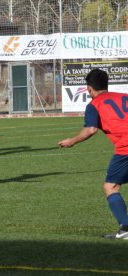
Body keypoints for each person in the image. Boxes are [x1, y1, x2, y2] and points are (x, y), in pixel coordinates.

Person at [58, 69, 128, 239]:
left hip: (125, 149)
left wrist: (71, 141)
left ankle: (126, 229)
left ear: (89, 89)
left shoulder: (94, 104)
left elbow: (90, 129)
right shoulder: (124, 97)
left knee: (110, 187)